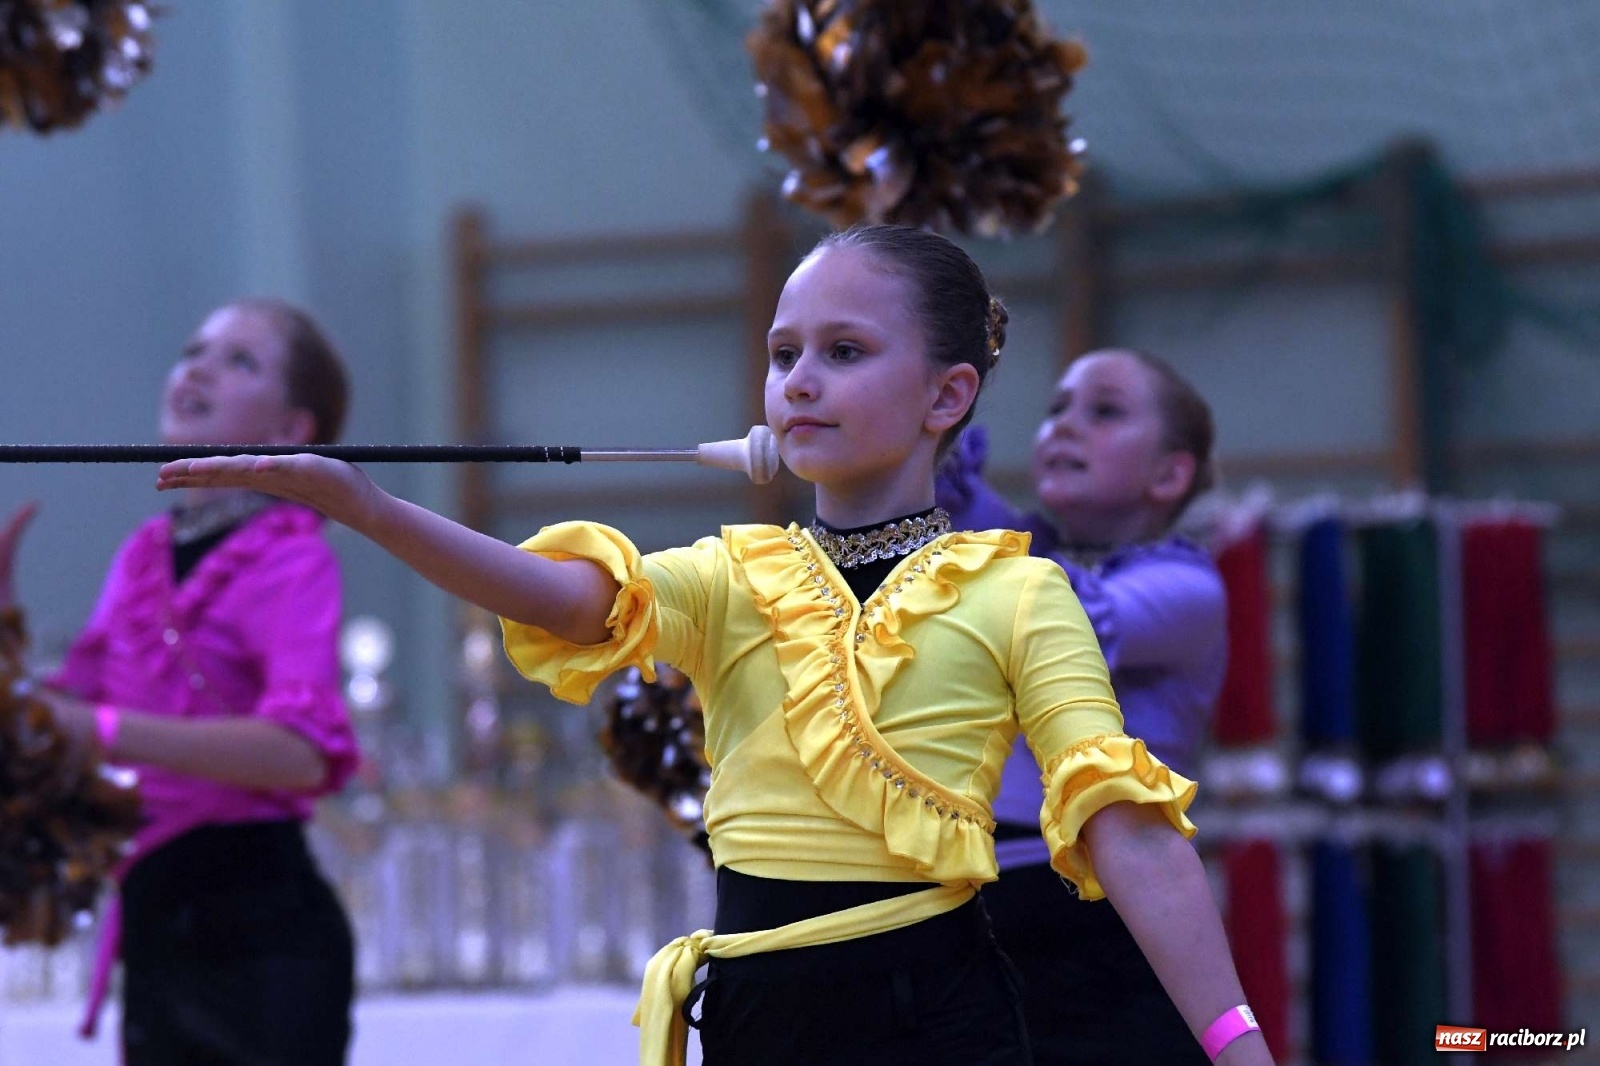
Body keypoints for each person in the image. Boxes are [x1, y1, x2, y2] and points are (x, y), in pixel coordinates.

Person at [154, 226, 1273, 1066]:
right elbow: (559, 598)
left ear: (948, 396)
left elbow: (1133, 838)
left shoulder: (1020, 592)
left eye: (844, 350)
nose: (800, 379)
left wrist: (1240, 1047)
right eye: (784, 353)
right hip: (754, 1017)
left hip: (937, 1016)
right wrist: (365, 507)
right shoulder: (733, 577)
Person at [1, 298, 361, 1065]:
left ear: (291, 428)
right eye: (193, 350)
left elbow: (301, 752)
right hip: (157, 924)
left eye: (239, 361)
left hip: (260, 937)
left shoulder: (292, 558)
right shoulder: (142, 555)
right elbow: (68, 709)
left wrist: (102, 731)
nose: (198, 370)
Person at [937, 349, 1228, 1065]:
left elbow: (1055, 611)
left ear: (1170, 475)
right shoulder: (1028, 553)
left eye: (1104, 412)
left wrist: (955, 507)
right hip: (984, 911)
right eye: (1056, 409)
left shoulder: (1187, 589)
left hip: (1104, 922)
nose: (1065, 425)